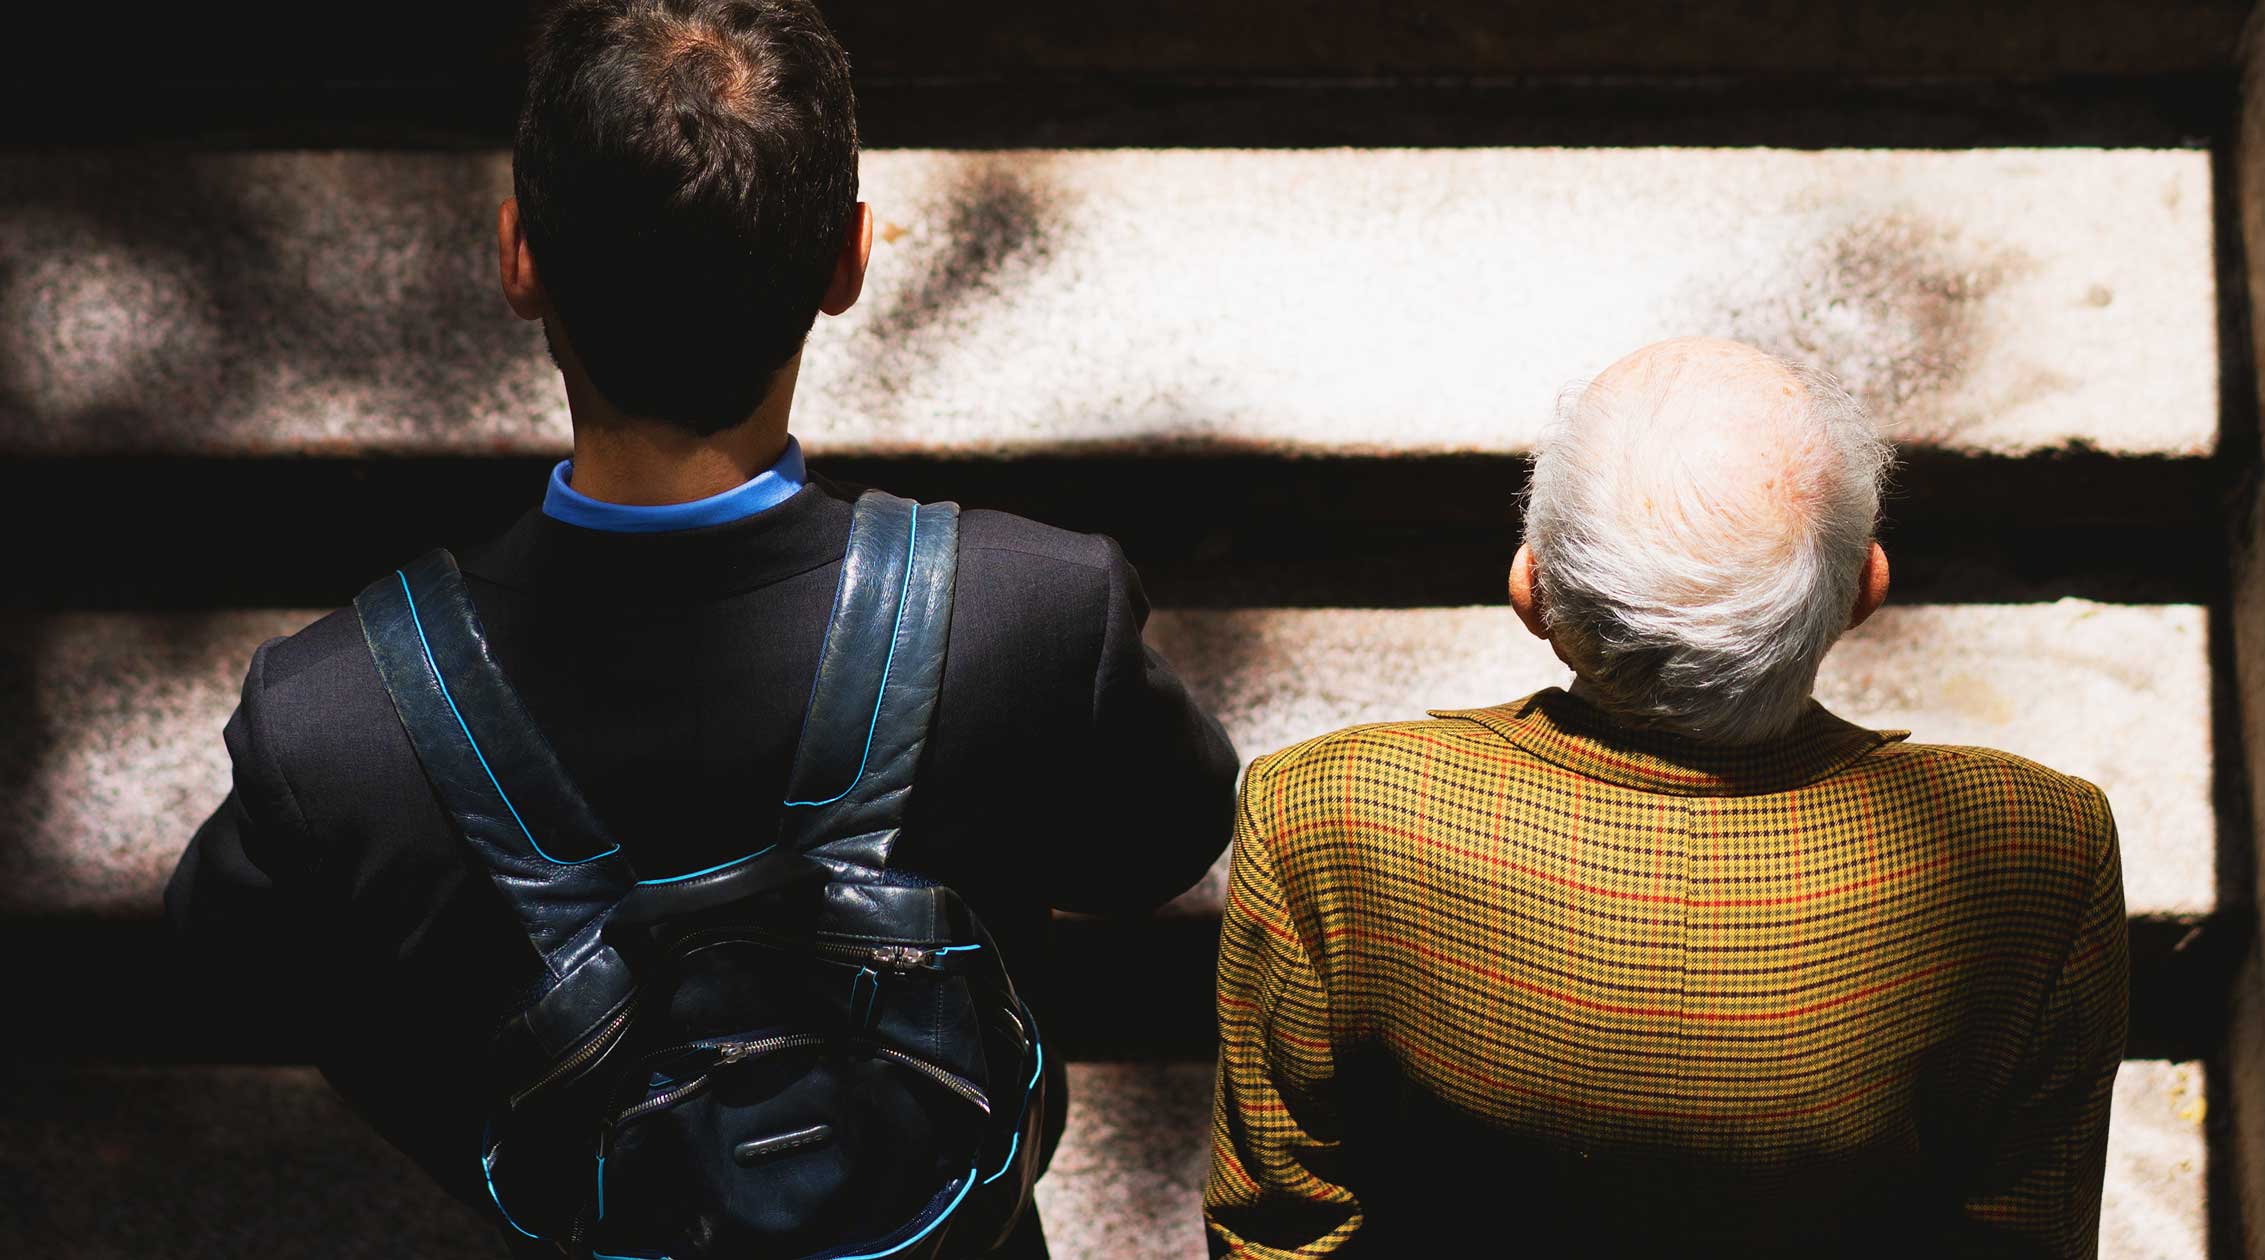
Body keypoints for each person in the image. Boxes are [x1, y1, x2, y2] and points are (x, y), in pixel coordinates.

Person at [164, 3, 1237, 1255]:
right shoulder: (1036, 612)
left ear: (519, 260)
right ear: (849, 262)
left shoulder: (334, 718)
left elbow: (229, 965)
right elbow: (1162, 843)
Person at [1203, 337, 2128, 1258]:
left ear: (1533, 593)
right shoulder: (2039, 848)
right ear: (1865, 590)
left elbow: (1279, 1232)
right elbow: (2024, 1236)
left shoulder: (1331, 813)